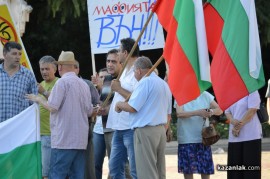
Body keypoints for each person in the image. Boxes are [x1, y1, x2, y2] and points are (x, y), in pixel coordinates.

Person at [26, 51, 93, 179]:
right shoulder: (84, 84)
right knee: (77, 175)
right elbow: (90, 111)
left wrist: (38, 99)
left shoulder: (61, 83)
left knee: (57, 174)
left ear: (60, 67)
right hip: (80, 140)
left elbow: (52, 107)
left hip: (63, 139)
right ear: (73, 66)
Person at [115, 56, 172, 179]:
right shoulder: (164, 84)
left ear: (139, 70)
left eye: (134, 71)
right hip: (160, 130)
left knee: (147, 172)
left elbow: (132, 107)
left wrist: (119, 104)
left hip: (146, 131)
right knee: (159, 170)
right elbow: (169, 112)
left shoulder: (144, 82)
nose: (134, 74)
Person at [106, 38, 139, 179]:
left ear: (125, 52)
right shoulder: (124, 70)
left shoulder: (139, 72)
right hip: (118, 127)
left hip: (130, 127)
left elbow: (139, 99)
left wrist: (118, 89)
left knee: (135, 169)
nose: (117, 53)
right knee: (114, 168)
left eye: (119, 50)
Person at [174, 91, 223, 179]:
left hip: (204, 139)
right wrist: (198, 112)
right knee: (188, 172)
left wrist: (210, 111)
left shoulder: (205, 94)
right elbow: (179, 113)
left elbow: (220, 110)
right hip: (186, 139)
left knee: (205, 171)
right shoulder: (180, 94)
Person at [225, 91, 262, 179]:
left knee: (251, 171)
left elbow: (252, 110)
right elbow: (227, 112)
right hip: (234, 136)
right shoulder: (229, 92)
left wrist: (238, 126)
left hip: (251, 136)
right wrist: (233, 121)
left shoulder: (252, 90)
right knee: (234, 171)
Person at [0, 41, 37, 123]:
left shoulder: (28, 75)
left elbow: (34, 104)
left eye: (20, 54)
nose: (18, 57)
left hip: (19, 127)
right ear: (5, 54)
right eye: (14, 54)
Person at [74, 61, 100, 179]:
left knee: (87, 161)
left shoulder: (87, 84)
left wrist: (90, 110)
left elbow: (97, 104)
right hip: (67, 130)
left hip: (86, 127)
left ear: (77, 69)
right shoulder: (61, 84)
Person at [38, 55, 59, 179]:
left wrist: (43, 92)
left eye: (47, 69)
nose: (44, 72)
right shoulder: (41, 84)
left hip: (51, 134)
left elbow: (56, 103)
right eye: (42, 69)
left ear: (55, 69)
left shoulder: (59, 83)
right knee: (44, 171)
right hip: (40, 133)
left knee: (47, 173)